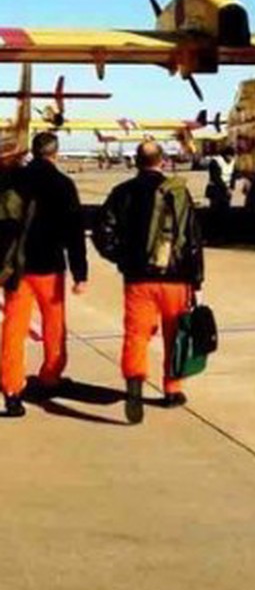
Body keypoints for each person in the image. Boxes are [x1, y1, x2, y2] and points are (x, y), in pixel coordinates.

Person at [92, 140, 204, 425]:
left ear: (136, 162)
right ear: (162, 161)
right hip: (176, 279)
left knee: (136, 334)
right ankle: (172, 390)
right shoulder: (179, 193)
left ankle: (134, 381)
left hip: (138, 279)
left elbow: (101, 232)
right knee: (175, 336)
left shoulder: (122, 193)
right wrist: (197, 279)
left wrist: (121, 258)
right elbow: (193, 239)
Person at [0, 131, 88, 418]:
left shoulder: (12, 179)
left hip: (18, 268)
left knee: (13, 328)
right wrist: (80, 272)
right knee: (54, 325)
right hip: (50, 267)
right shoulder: (63, 184)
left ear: (33, 152)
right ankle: (51, 377)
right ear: (55, 152)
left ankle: (12, 390)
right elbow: (75, 232)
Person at [205, 144, 238, 240]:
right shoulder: (215, 162)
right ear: (225, 155)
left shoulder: (232, 163)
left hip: (226, 191)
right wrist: (226, 188)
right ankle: (213, 235)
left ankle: (224, 235)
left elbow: (233, 176)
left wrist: (232, 187)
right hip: (216, 190)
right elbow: (216, 177)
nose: (231, 158)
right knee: (214, 213)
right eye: (230, 156)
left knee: (225, 213)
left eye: (232, 156)